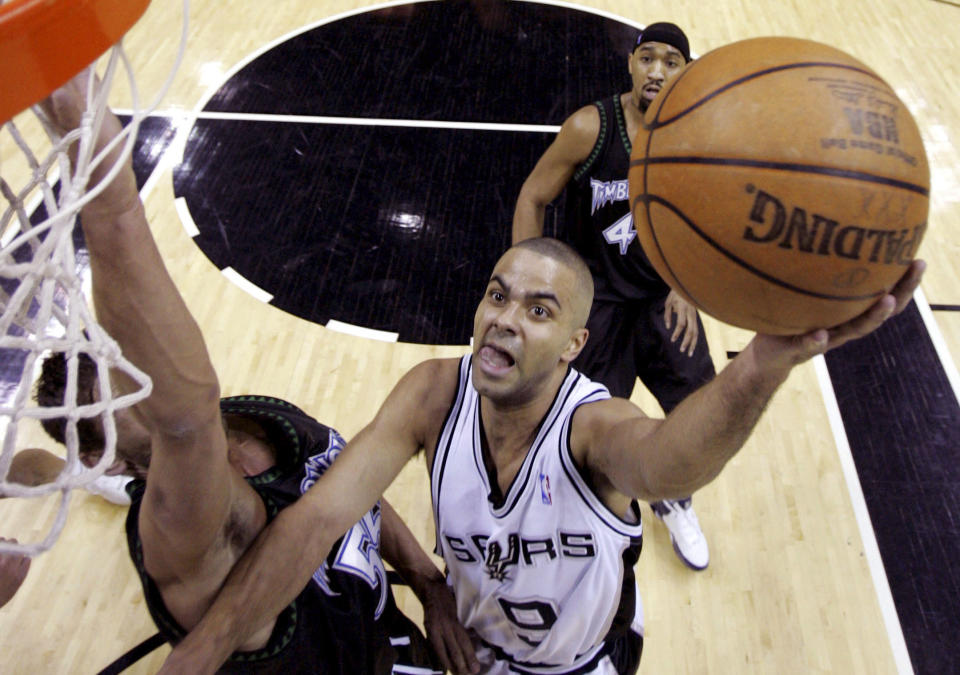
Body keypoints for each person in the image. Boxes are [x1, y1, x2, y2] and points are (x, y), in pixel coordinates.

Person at [157, 237, 924, 674]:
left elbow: (668, 463)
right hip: (474, 645)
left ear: (573, 346)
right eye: (497, 295)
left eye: (538, 309)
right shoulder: (432, 394)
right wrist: (208, 647)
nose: (503, 320)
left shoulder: (592, 427)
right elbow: (320, 515)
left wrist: (759, 367)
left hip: (575, 665)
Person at [38, 74, 470, 674]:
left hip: (394, 644)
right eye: (128, 401)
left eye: (131, 366)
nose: (148, 384)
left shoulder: (261, 416)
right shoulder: (179, 524)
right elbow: (184, 420)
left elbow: (350, 484)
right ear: (112, 456)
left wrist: (428, 582)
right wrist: (110, 199)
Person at [512, 22, 714, 570]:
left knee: (697, 405)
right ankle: (589, 514)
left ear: (686, 71)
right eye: (647, 58)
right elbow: (533, 194)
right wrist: (528, 280)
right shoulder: (590, 128)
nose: (657, 71)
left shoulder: (694, 133)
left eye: (671, 62)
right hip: (596, 302)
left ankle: (673, 495)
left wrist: (684, 283)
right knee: (591, 422)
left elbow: (700, 214)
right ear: (630, 63)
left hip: (658, 296)